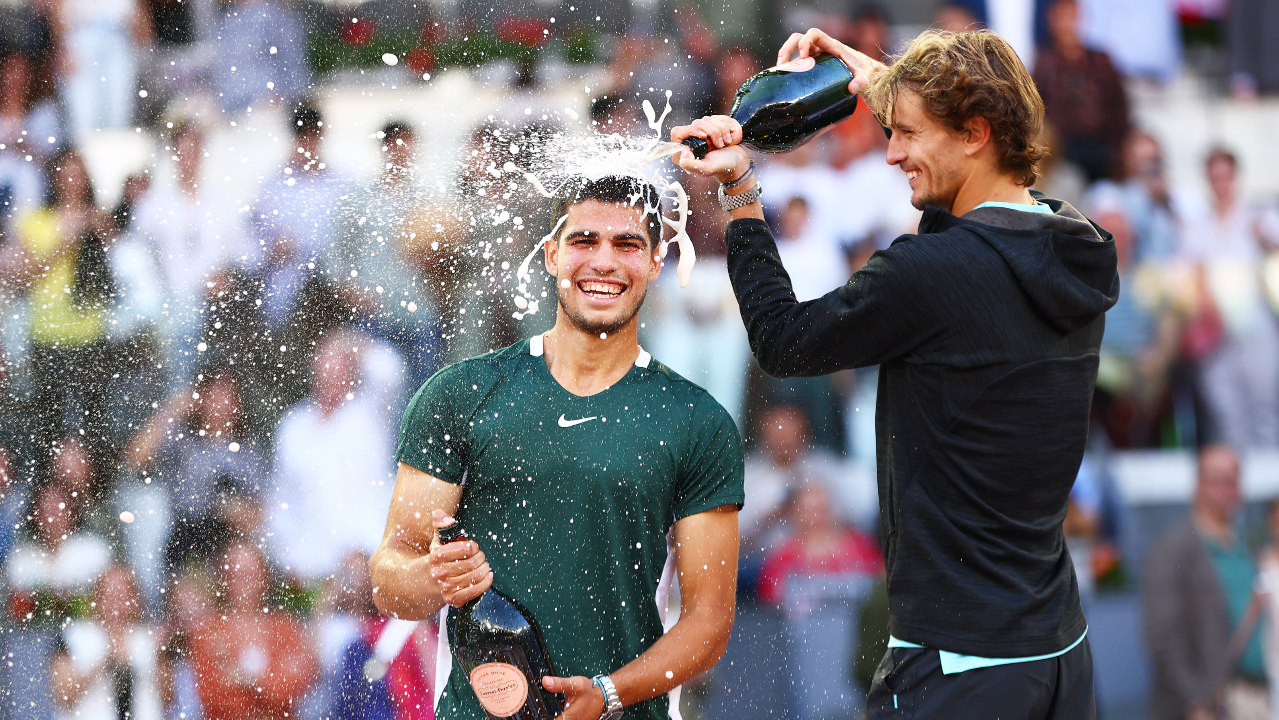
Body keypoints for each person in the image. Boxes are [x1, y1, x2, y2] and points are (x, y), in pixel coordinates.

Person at [672, 27, 1117, 716]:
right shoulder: (1079, 244)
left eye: (907, 132)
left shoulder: (929, 273)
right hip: (1057, 654)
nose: (890, 151)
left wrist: (739, 188)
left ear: (974, 132)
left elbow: (784, 342)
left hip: (959, 666)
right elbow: (969, 223)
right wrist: (892, 86)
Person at [369, 174, 745, 720]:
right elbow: (389, 578)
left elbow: (709, 624)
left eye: (627, 244)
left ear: (657, 262)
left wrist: (610, 693)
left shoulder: (695, 420)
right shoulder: (460, 395)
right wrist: (434, 577)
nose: (604, 263)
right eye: (584, 241)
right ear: (551, 255)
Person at [1144, 446, 1268, 720]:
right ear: (1198, 486)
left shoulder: (1248, 546)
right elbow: (1162, 637)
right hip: (1208, 703)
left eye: (1234, 480)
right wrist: (1193, 701)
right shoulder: (1173, 548)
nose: (1229, 489)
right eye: (1219, 480)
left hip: (1258, 696)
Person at [1032, 0, 1131, 182]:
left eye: (1073, 17)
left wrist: (1117, 153)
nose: (1069, 25)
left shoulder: (1101, 62)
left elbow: (1119, 109)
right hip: (1062, 153)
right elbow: (1037, 111)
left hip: (1102, 150)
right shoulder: (1045, 65)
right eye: (1063, 18)